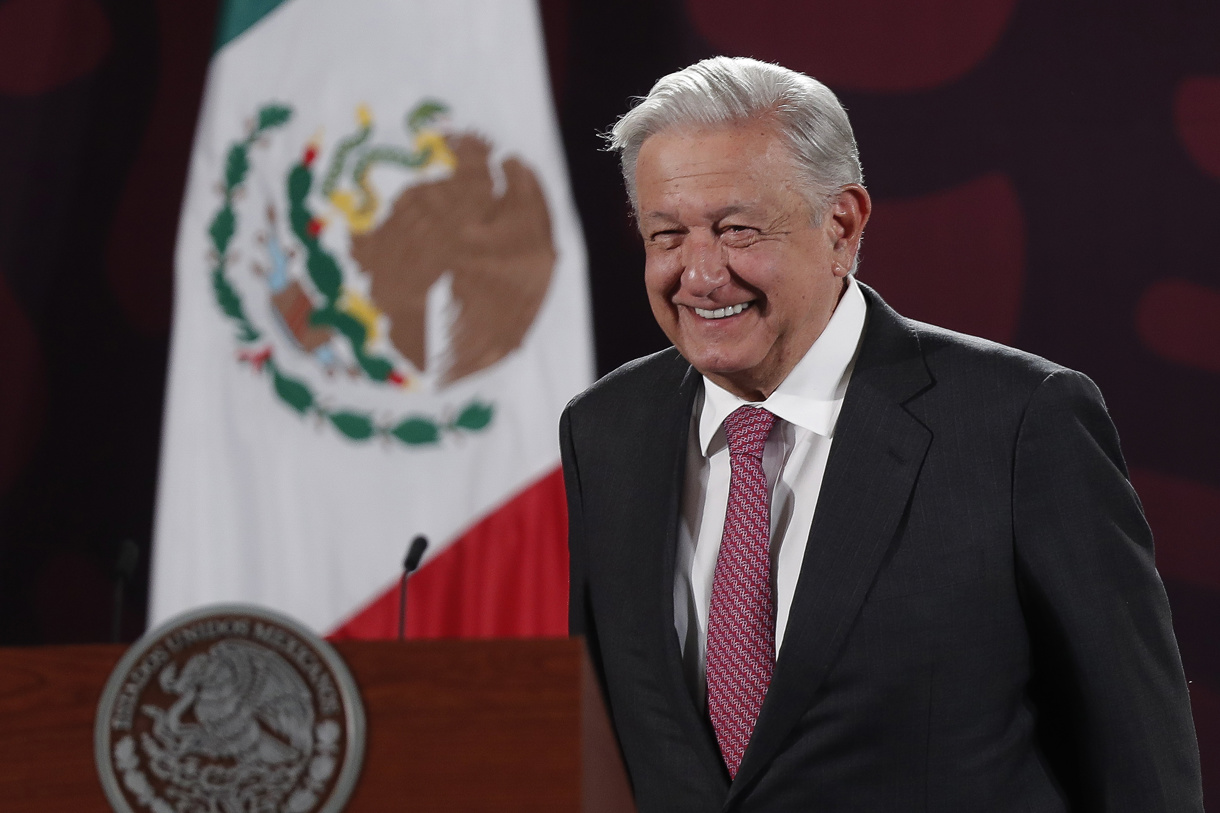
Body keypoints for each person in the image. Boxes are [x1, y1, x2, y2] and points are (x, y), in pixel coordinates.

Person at [560, 56, 1203, 812]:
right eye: (667, 235)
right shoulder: (605, 430)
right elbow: (603, 748)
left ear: (842, 225)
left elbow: (1143, 768)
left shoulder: (1022, 424)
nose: (699, 274)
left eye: (736, 229)